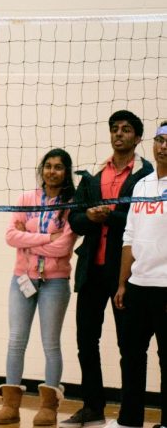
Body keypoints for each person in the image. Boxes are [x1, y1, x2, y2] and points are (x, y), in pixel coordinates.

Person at [63, 110, 154, 428]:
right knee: (86, 341)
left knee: (128, 346)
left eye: (126, 129)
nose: (119, 134)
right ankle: (93, 406)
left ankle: (129, 414)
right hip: (92, 271)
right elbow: (74, 219)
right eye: (114, 128)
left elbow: (140, 221)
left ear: (138, 137)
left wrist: (108, 215)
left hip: (124, 274)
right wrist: (89, 217)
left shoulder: (146, 176)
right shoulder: (93, 177)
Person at [0, 148, 77, 426]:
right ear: (42, 170)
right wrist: (43, 237)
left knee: (51, 343)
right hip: (22, 279)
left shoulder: (70, 204)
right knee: (16, 340)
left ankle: (49, 407)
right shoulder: (26, 198)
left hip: (55, 281)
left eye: (59, 167)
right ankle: (10, 405)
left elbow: (64, 246)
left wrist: (29, 237)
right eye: (48, 166)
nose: (52, 171)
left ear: (66, 172)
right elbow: (10, 236)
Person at [107, 121, 167, 428]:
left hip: (166, 287)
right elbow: (129, 236)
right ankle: (130, 420)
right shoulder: (142, 186)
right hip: (137, 285)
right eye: (160, 140)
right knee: (131, 356)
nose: (163, 146)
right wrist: (122, 282)